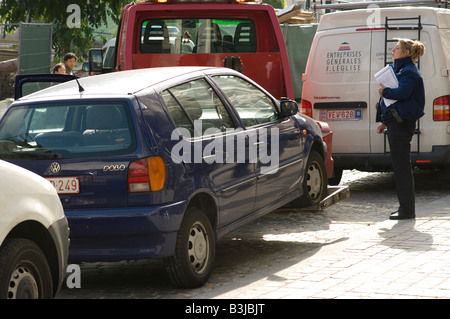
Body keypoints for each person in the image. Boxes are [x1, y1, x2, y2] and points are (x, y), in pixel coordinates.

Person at [376, 38, 425, 220]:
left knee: (402, 168)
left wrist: (384, 92)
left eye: (396, 48)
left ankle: (407, 210)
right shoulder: (401, 69)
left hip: (402, 124)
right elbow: (392, 102)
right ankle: (405, 208)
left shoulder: (409, 72)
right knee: (400, 167)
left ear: (406, 52)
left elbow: (401, 94)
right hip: (395, 122)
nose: (393, 51)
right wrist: (384, 121)